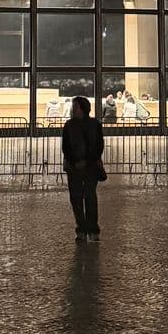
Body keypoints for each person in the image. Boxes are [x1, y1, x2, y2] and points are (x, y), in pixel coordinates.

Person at [61, 95, 104, 240]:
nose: (73, 110)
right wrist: (76, 161)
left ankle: (89, 228)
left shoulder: (91, 124)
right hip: (79, 167)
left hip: (87, 167)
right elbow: (66, 147)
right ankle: (85, 228)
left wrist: (84, 161)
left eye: (75, 107)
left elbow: (99, 145)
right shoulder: (71, 125)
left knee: (87, 197)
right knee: (79, 198)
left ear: (82, 108)